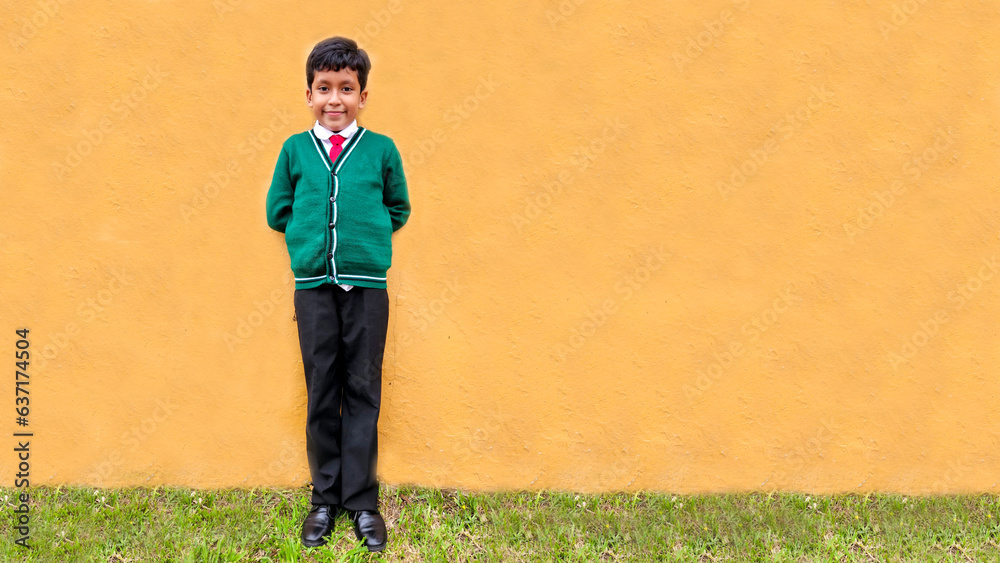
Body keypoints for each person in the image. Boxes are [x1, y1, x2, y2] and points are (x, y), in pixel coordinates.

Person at [265, 36, 410, 552]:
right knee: (322, 388)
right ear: (308, 93)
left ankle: (363, 503)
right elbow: (277, 211)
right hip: (314, 288)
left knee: (364, 389)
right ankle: (324, 499)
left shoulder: (381, 149)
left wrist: (362, 243)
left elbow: (399, 209)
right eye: (323, 88)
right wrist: (311, 243)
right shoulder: (294, 150)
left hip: (367, 288)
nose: (334, 99)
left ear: (362, 95)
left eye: (346, 89)